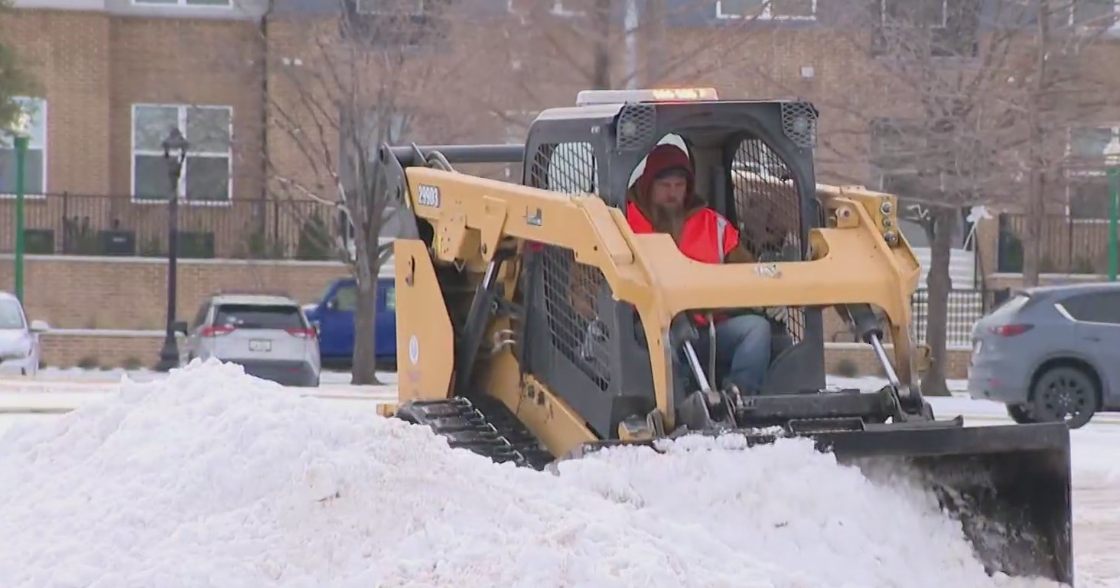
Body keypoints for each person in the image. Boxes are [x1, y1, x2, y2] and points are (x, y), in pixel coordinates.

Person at [626, 142, 787, 396]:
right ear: (648, 186)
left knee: (756, 329)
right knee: (658, 346)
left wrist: (774, 294)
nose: (672, 194)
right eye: (665, 186)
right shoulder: (624, 225)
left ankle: (739, 397)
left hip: (708, 329)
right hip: (651, 332)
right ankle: (677, 405)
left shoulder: (713, 225)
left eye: (679, 186)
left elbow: (750, 271)